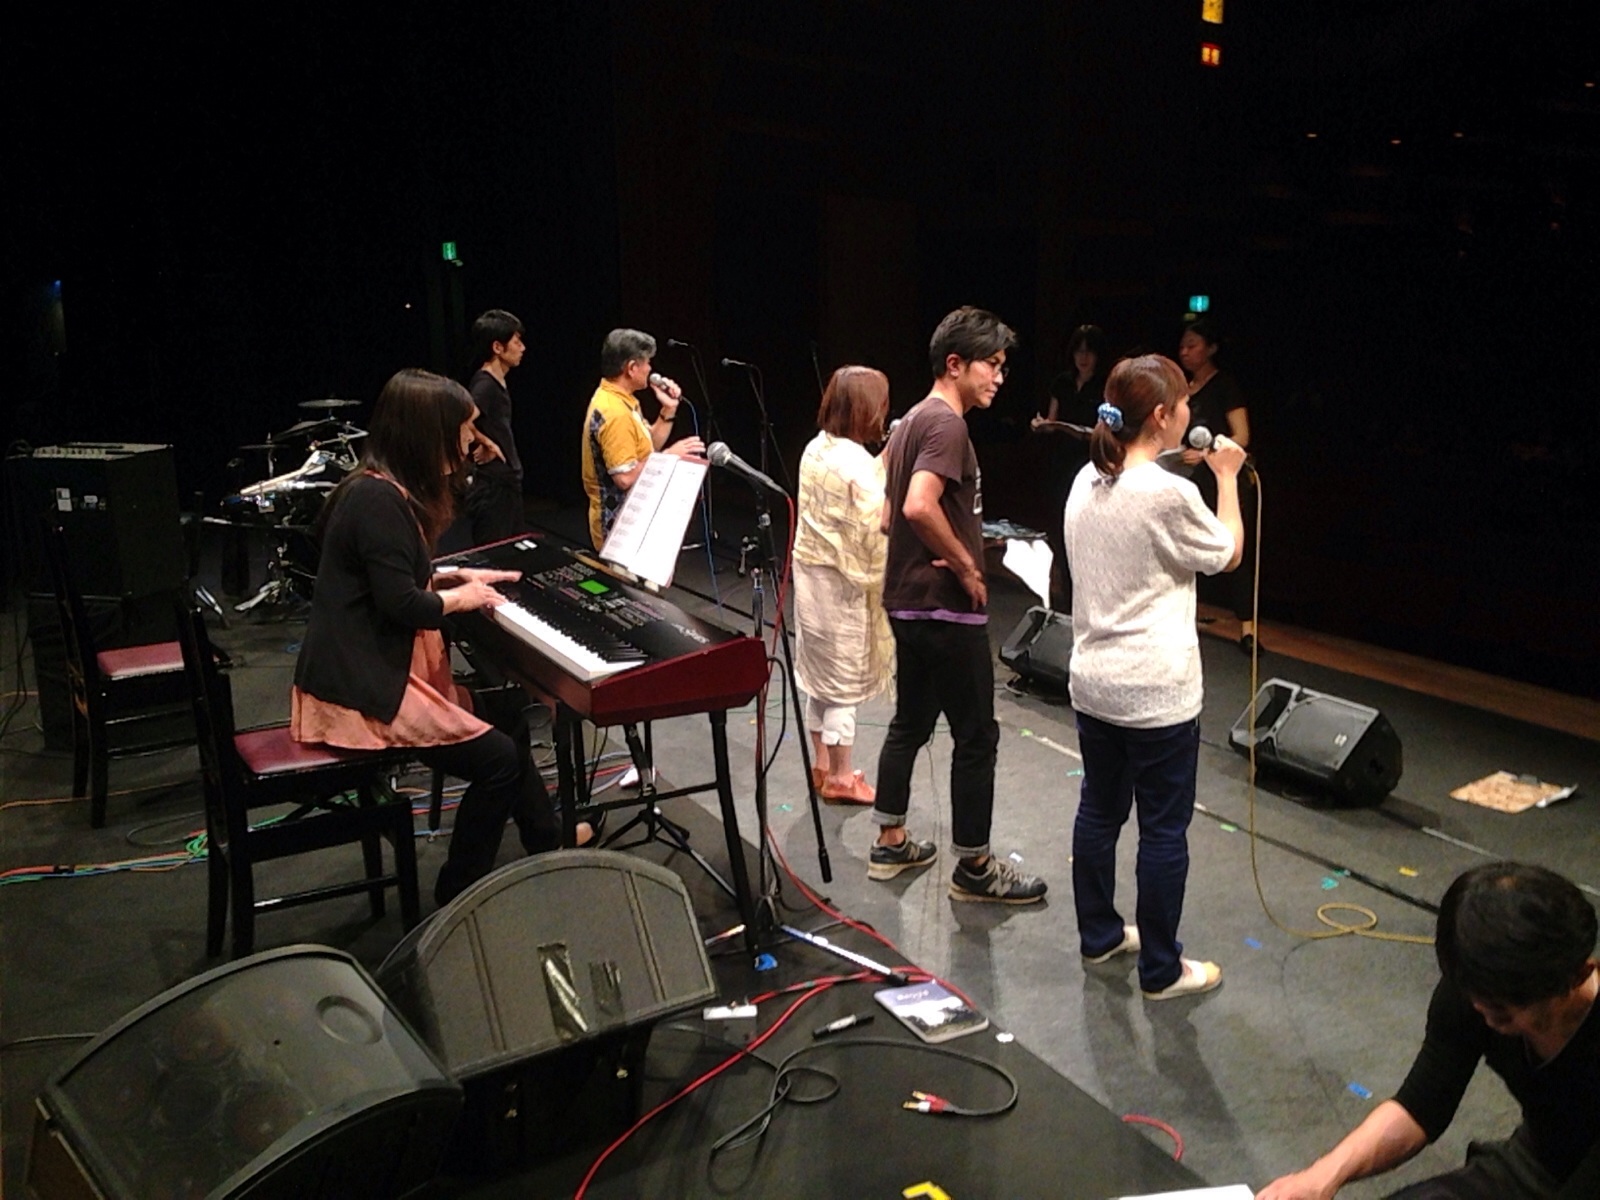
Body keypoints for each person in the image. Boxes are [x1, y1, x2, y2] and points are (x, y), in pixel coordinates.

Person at [292, 368, 590, 908]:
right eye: (466, 428)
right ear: (431, 433)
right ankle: (457, 894)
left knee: (509, 713)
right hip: (361, 692)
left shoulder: (382, 491)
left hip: (374, 673)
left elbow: (399, 578)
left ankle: (548, 840)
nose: (474, 439)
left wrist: (458, 578)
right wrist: (462, 597)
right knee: (499, 762)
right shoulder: (376, 500)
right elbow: (403, 604)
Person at [1063, 354, 1244, 999]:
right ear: (1164, 415)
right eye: (1185, 402)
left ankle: (1100, 935)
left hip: (1093, 683)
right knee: (1163, 829)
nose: (1193, 410)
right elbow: (1227, 553)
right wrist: (1227, 479)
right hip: (1155, 693)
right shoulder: (1169, 493)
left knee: (1099, 809)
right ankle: (1163, 971)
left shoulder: (1088, 478)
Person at [1257, 861, 1600, 1199]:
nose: (1486, 1016)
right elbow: (1422, 1104)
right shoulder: (1476, 989)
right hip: (1538, 1162)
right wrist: (1321, 1177)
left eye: (1505, 1012)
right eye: (1478, 1000)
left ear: (1579, 975)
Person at [867, 306, 1047, 904]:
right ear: (955, 364)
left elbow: (889, 516)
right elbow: (918, 506)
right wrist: (967, 563)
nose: (999, 377)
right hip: (944, 607)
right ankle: (975, 869)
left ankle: (890, 841)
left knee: (911, 723)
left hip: (907, 600)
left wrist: (961, 537)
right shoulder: (947, 425)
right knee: (976, 737)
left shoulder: (908, 423)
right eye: (990, 364)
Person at [794, 365, 895, 805]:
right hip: (840, 587)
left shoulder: (816, 447)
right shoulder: (853, 463)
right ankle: (839, 777)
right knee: (841, 687)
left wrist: (885, 459)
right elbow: (874, 525)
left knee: (820, 678)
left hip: (810, 582)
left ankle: (821, 764)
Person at [580, 328, 706, 550]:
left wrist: (668, 410)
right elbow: (625, 477)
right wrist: (668, 456)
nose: (650, 369)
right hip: (618, 530)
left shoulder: (622, 400)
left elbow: (647, 449)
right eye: (647, 362)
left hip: (635, 523)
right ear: (631, 368)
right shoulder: (615, 412)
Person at [1176, 316, 1258, 653]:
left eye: (1192, 345)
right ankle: (1186, 616)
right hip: (1190, 482)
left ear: (1210, 349)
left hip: (1223, 481)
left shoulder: (1225, 385)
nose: (1184, 352)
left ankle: (1248, 629)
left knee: (1236, 551)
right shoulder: (1182, 389)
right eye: (1182, 346)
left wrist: (1207, 453)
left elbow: (1242, 435)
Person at [1032, 323, 1108, 610]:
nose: (1083, 358)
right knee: (1062, 529)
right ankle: (1064, 598)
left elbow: (1102, 431)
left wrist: (1067, 428)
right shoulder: (1062, 382)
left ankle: (1090, 600)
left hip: (1091, 463)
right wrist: (1042, 425)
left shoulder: (1105, 385)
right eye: (1078, 351)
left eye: (1089, 352)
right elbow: (1052, 421)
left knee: (1091, 531)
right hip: (1061, 463)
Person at [459, 308, 528, 547]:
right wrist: (487, 442)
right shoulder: (485, 384)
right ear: (498, 347)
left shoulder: (497, 381)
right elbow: (461, 419)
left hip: (505, 482)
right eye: (517, 342)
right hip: (493, 488)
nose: (522, 348)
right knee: (496, 554)